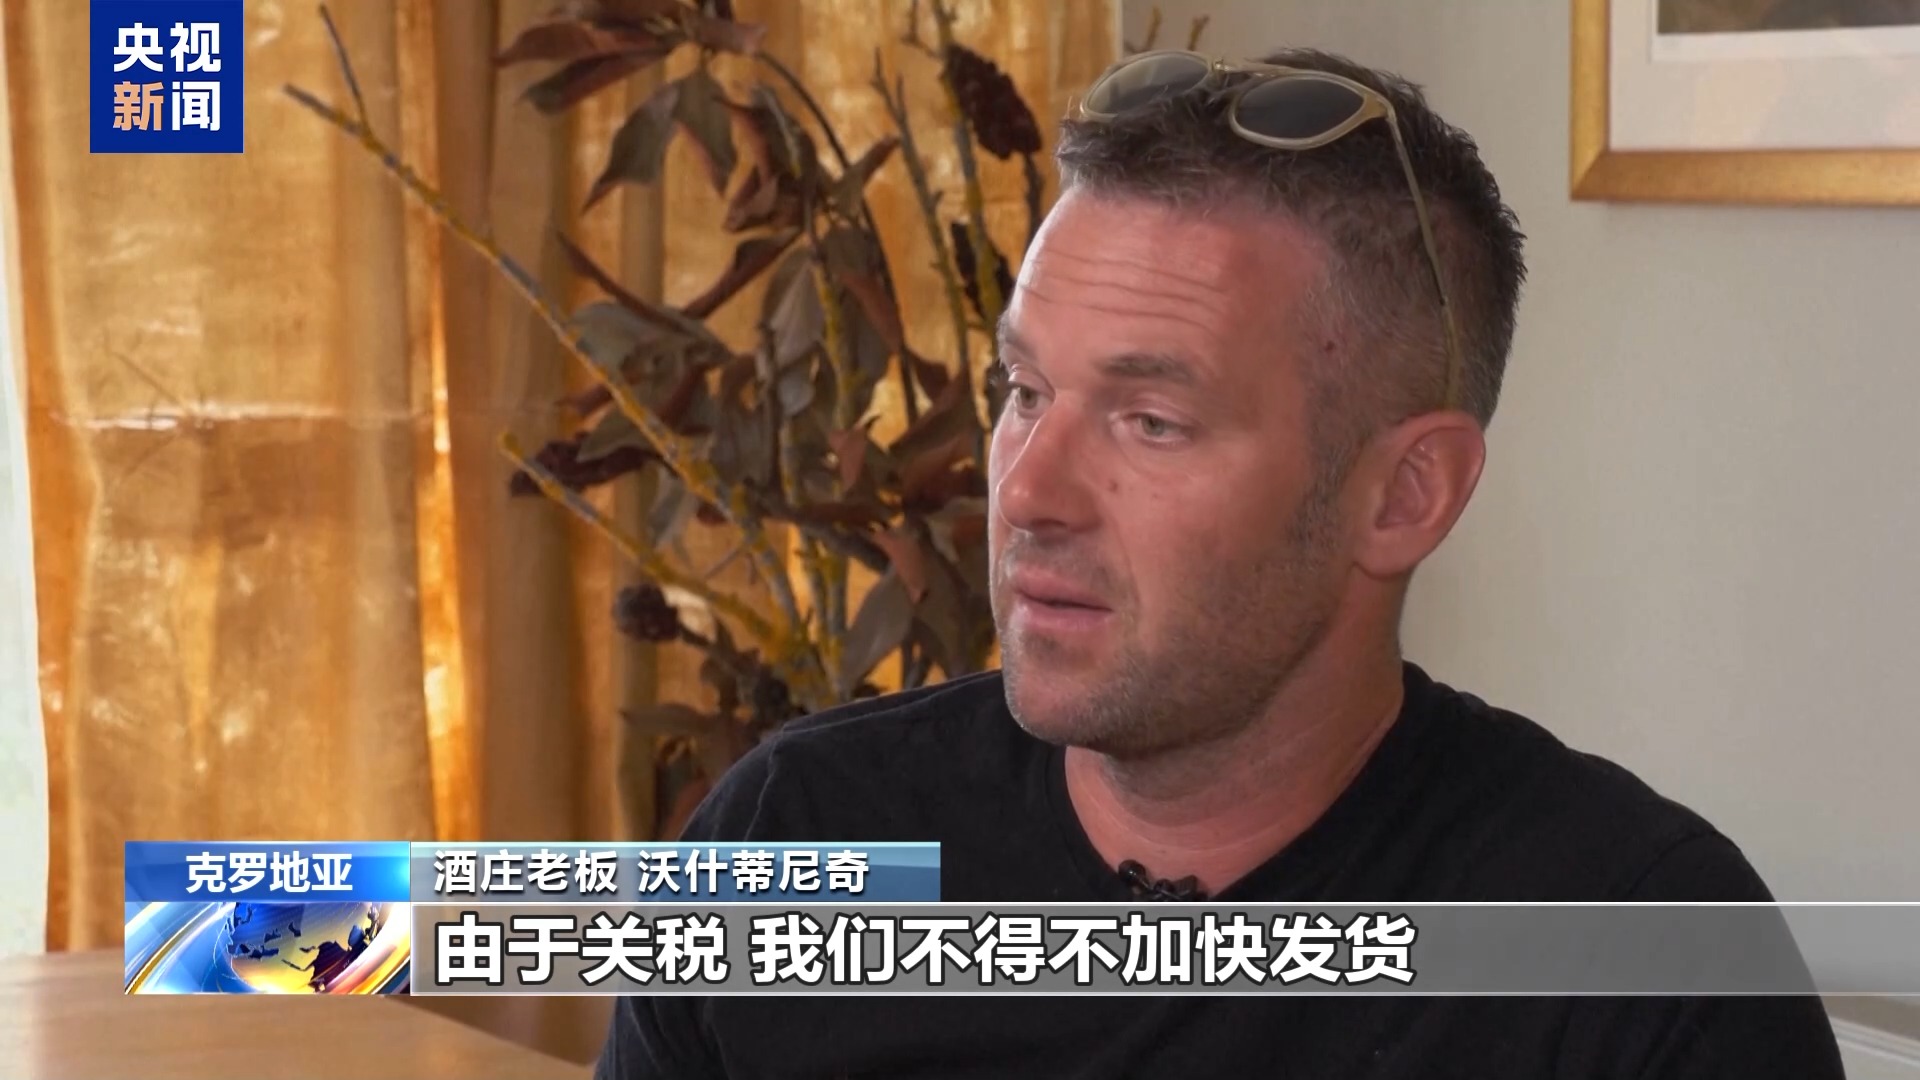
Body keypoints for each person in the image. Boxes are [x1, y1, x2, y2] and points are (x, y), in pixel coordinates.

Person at [595, 46, 1844, 1078]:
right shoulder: (792, 842)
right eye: (1024, 391)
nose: (1024, 494)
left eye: (1152, 421)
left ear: (1404, 496)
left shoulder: (1643, 967)